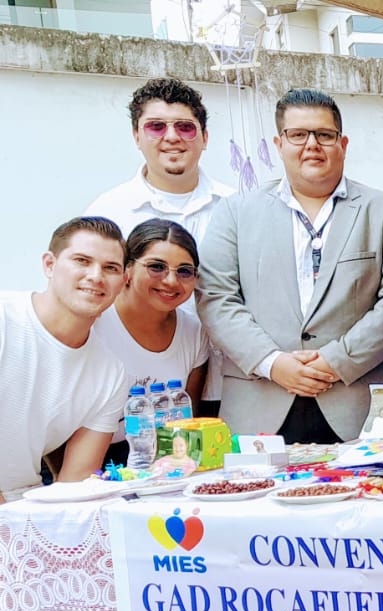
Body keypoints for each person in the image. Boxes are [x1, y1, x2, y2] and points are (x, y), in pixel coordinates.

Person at [198, 89, 383, 443]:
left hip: (358, 407)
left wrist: (337, 361)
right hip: (259, 403)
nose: (312, 145)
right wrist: (272, 362)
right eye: (298, 135)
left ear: (343, 144)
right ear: (279, 144)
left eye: (324, 135)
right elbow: (216, 297)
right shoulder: (235, 213)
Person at [86, 78, 233, 416]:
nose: (171, 137)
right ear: (136, 136)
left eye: (185, 127)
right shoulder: (109, 212)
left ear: (204, 137)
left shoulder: (237, 207)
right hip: (137, 391)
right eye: (156, 126)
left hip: (229, 382)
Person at [0, 218, 129, 499]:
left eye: (111, 268)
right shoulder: (5, 319)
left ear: (123, 281)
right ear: (50, 264)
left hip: (25, 508)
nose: (96, 276)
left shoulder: (110, 373)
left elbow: (74, 488)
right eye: (82, 261)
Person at [92, 219, 209, 464]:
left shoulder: (194, 332)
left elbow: (186, 423)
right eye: (157, 267)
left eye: (184, 271)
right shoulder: (94, 323)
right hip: (89, 463)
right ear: (127, 269)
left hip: (162, 463)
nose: (171, 281)